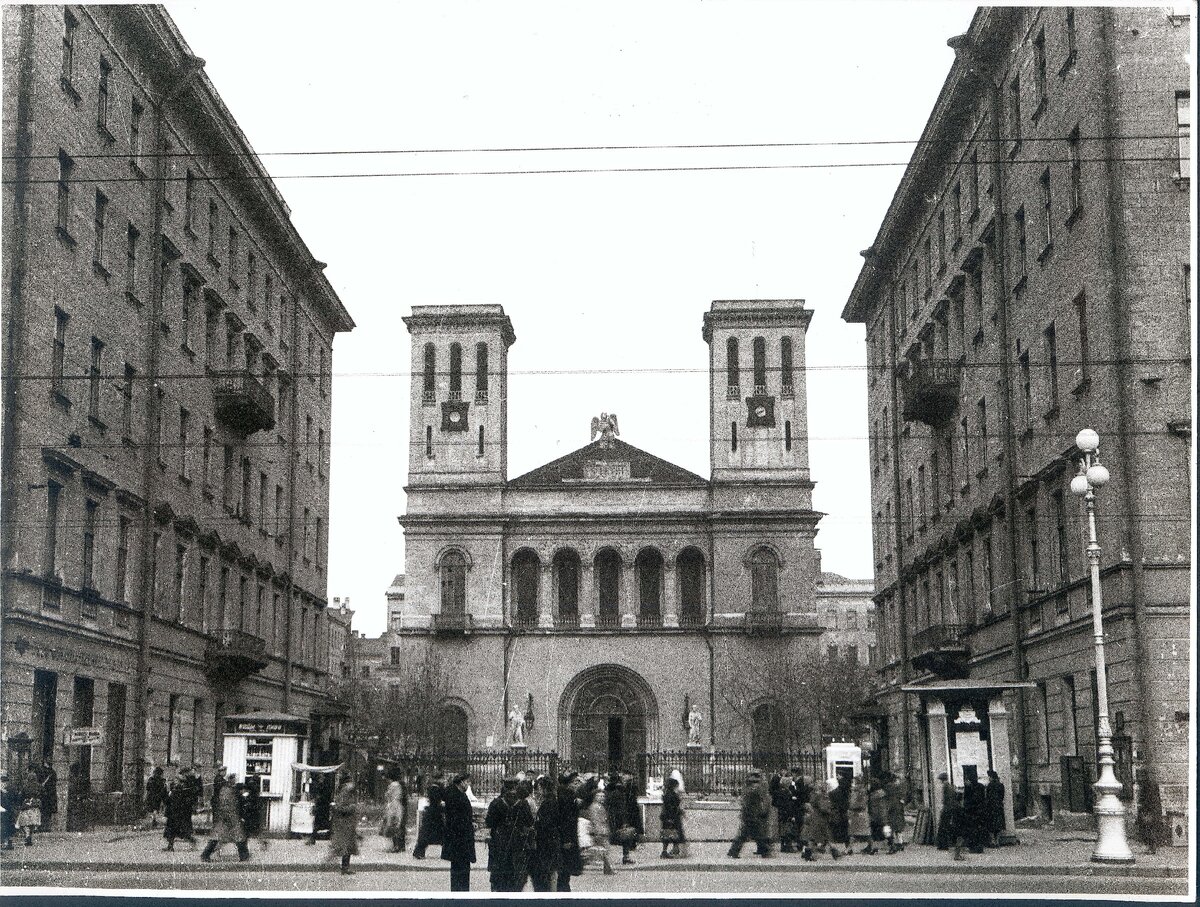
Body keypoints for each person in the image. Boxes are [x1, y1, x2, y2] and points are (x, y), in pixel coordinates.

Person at [201, 773, 249, 863]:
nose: (236, 781)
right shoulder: (227, 790)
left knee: (232, 837)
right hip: (229, 817)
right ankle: (205, 854)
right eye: (234, 779)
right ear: (231, 780)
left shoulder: (229, 789)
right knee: (236, 836)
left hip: (228, 817)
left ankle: (244, 856)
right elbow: (226, 805)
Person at [442, 771, 477, 892]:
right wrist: (468, 825)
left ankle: (459, 893)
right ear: (461, 782)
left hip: (458, 838)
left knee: (459, 869)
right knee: (461, 871)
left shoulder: (456, 793)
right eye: (467, 782)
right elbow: (457, 818)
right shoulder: (456, 795)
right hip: (459, 839)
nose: (468, 784)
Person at [728, 771, 771, 858]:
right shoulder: (756, 788)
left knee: (749, 834)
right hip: (753, 814)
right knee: (755, 834)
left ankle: (733, 851)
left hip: (748, 814)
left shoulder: (747, 787)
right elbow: (761, 800)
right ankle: (764, 851)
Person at [529, 774, 561, 891]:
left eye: (539, 788)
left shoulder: (548, 802)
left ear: (543, 788)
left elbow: (545, 823)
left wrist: (536, 825)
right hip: (551, 840)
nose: (538, 791)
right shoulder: (552, 800)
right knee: (551, 871)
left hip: (547, 841)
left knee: (549, 871)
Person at [485, 778, 516, 891]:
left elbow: (489, 822)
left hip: (498, 840)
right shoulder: (519, 802)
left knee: (497, 870)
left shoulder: (496, 802)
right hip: (514, 840)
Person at [555, 772, 583, 892]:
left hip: (568, 836)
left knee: (565, 869)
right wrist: (566, 839)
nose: (578, 784)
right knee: (564, 868)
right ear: (569, 784)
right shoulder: (566, 797)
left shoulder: (569, 796)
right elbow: (565, 820)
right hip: (567, 838)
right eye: (576, 782)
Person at [581, 777, 615, 875]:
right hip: (600, 831)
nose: (602, 798)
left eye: (603, 796)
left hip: (602, 830)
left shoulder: (599, 806)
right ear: (595, 797)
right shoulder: (595, 807)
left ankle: (607, 868)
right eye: (600, 796)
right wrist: (599, 831)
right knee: (603, 851)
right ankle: (608, 868)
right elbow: (596, 820)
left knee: (602, 851)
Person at [506, 780, 536, 891]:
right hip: (524, 840)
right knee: (522, 872)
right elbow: (530, 821)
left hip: (514, 840)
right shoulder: (524, 804)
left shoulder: (512, 803)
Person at [607, 772, 643, 864]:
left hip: (612, 818)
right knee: (625, 836)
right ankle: (625, 856)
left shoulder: (609, 791)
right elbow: (622, 808)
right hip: (619, 818)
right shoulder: (620, 793)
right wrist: (624, 821)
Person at [328, 777, 359, 875]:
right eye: (350, 782)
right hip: (344, 825)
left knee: (347, 847)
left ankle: (345, 867)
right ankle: (344, 867)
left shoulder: (347, 793)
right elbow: (340, 808)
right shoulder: (344, 793)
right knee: (345, 847)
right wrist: (352, 807)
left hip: (348, 825)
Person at [801, 778, 834, 860]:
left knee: (814, 837)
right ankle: (834, 852)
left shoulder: (813, 794)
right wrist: (829, 810)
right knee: (823, 836)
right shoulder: (821, 795)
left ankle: (808, 853)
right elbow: (823, 807)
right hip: (820, 818)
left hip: (814, 817)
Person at [412, 776, 445, 859]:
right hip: (436, 814)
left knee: (425, 834)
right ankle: (446, 853)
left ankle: (419, 852)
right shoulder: (438, 789)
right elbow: (441, 799)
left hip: (430, 813)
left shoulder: (432, 788)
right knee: (442, 835)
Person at [163, 773, 198, 851]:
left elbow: (172, 801)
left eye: (176, 780)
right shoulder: (175, 790)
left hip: (179, 814)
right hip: (173, 814)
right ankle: (170, 846)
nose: (174, 781)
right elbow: (168, 801)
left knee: (183, 832)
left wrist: (170, 792)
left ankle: (193, 843)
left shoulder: (182, 791)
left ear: (180, 781)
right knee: (171, 831)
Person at [1135, 778, 1168, 854]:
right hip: (1152, 809)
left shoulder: (1148, 786)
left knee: (1149, 828)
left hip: (1149, 810)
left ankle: (1152, 847)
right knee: (1150, 827)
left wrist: (1144, 809)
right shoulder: (1152, 784)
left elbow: (1148, 799)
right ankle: (1152, 847)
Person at [935, 772, 963, 860]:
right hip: (951, 808)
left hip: (947, 809)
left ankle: (943, 845)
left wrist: (943, 807)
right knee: (946, 826)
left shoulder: (945, 786)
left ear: (942, 780)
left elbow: (945, 799)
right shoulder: (951, 786)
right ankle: (946, 844)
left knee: (943, 826)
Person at [848, 774, 876, 854]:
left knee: (856, 832)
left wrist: (853, 806)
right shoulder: (857, 791)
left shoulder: (861, 792)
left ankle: (849, 848)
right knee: (863, 833)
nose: (853, 784)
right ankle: (871, 846)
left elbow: (862, 804)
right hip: (857, 814)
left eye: (854, 782)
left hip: (859, 814)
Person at [381, 775, 409, 853]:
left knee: (393, 825)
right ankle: (401, 845)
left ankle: (396, 845)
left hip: (393, 806)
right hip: (399, 806)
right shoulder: (401, 785)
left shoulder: (393, 785)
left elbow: (387, 795)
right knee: (399, 825)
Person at [961, 772, 987, 855]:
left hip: (971, 812)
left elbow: (967, 800)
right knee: (979, 829)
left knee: (972, 830)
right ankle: (979, 847)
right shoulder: (981, 786)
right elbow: (983, 798)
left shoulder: (968, 788)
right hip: (980, 811)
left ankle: (973, 847)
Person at [306, 771, 334, 845]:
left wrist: (319, 798)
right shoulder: (321, 786)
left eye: (321, 777)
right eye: (320, 777)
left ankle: (313, 839)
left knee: (323, 824)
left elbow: (326, 797)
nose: (320, 779)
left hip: (323, 808)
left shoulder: (325, 786)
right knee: (319, 824)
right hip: (321, 808)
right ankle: (313, 839)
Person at [660, 775, 684, 858]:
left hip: (667, 817)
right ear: (674, 786)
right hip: (672, 817)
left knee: (668, 834)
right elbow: (672, 807)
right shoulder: (672, 795)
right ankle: (673, 850)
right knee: (673, 834)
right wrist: (671, 818)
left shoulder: (667, 794)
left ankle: (668, 850)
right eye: (677, 786)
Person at [16, 769, 42, 846]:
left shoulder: (25, 786)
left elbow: (20, 796)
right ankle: (30, 836)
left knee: (26, 823)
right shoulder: (39, 786)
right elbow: (44, 794)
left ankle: (27, 835)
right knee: (33, 823)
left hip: (26, 806)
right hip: (35, 807)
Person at [241, 773, 266, 851]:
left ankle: (247, 846)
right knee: (257, 830)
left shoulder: (248, 792)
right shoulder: (255, 789)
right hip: (255, 812)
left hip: (250, 812)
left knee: (248, 830)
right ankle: (261, 845)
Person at [828, 774, 852, 857]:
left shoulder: (833, 793)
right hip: (844, 813)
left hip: (836, 813)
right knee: (846, 832)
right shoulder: (847, 792)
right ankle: (848, 848)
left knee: (832, 831)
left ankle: (834, 849)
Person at [884, 772, 908, 854]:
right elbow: (903, 798)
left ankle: (892, 845)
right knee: (898, 828)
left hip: (890, 809)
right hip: (898, 809)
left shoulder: (888, 787)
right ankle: (900, 843)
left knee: (888, 828)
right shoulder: (899, 787)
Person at [984, 770, 1006, 847]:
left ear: (991, 777)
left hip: (991, 807)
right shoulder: (1001, 785)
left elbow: (987, 797)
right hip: (999, 806)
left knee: (991, 825)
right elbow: (1002, 796)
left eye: (989, 777)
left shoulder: (989, 786)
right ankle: (997, 842)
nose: (988, 778)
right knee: (999, 825)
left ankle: (993, 841)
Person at [36, 761, 57, 832]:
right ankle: (47, 827)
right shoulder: (53, 772)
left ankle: (41, 827)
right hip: (51, 795)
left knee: (42, 811)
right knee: (49, 813)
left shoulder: (42, 772)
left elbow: (39, 783)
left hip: (43, 795)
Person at [1, 774, 18, 850]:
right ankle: (8, 843)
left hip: (5, 811)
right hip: (9, 810)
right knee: (9, 826)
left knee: (5, 827)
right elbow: (16, 799)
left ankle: (6, 844)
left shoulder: (5, 790)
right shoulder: (12, 789)